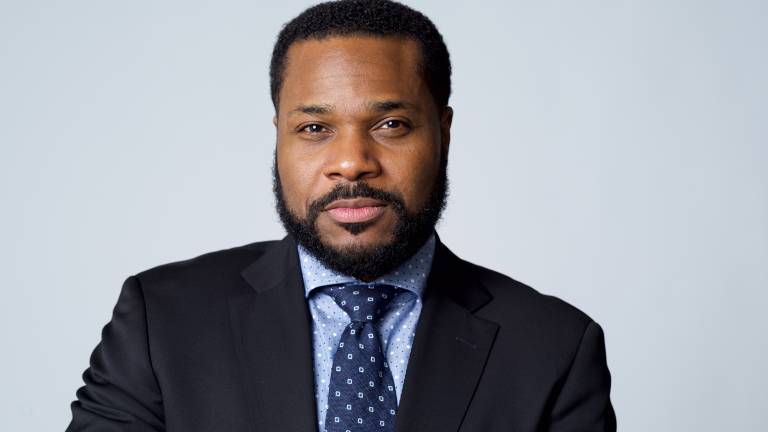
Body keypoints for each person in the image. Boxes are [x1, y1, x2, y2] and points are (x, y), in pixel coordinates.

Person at [66, 1, 616, 431]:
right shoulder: (160, 322)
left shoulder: (554, 348)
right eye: (314, 128)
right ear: (278, 135)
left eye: (391, 124)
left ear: (444, 133)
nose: (352, 162)